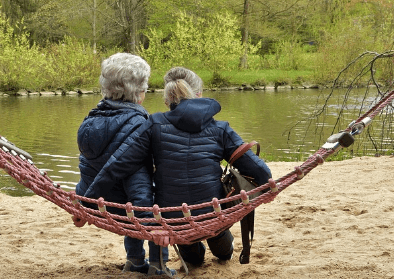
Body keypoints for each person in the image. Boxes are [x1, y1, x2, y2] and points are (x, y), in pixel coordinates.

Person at [85, 67, 273, 266]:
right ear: (199, 94)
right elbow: (259, 170)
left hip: (174, 220)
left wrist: (86, 203)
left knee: (193, 259)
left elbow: (118, 164)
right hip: (213, 213)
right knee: (221, 244)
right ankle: (221, 245)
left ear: (167, 100)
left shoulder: (153, 124)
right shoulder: (221, 129)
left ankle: (196, 249)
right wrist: (268, 187)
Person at [75, 52, 175, 276]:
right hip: (127, 206)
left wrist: (84, 202)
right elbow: (139, 188)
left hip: (100, 203)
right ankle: (158, 265)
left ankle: (134, 261)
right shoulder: (141, 125)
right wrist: (153, 228)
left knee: (132, 201)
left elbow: (89, 167)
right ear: (139, 93)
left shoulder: (90, 120)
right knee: (156, 200)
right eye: (145, 88)